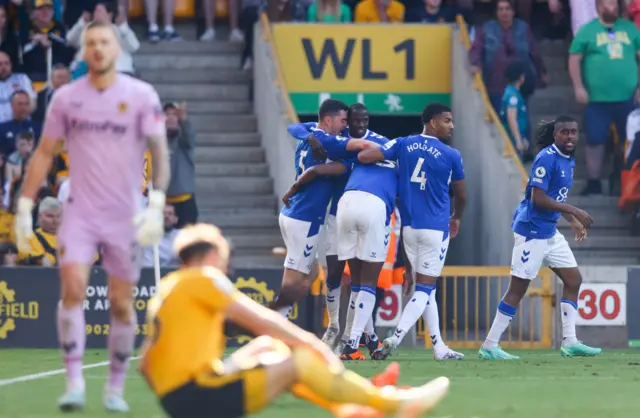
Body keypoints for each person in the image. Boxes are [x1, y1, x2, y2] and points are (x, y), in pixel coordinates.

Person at [13, 20, 171, 412]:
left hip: (125, 214)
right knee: (72, 289)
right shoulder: (67, 98)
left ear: (117, 48)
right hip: (80, 211)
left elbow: (160, 153)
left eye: (104, 42)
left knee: (121, 304)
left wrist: (156, 203)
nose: (98, 48)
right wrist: (25, 203)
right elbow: (46, 152)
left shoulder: (141, 95)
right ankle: (74, 382)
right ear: (84, 51)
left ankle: (114, 389)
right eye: (91, 43)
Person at [139, 223, 451, 418]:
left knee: (266, 349)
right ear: (211, 256)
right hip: (200, 395)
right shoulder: (205, 278)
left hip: (177, 398)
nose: (225, 267)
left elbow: (145, 363)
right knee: (297, 360)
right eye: (223, 259)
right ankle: (392, 405)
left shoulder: (168, 288)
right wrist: (312, 343)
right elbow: (263, 320)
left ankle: (349, 405)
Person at [478, 116, 602, 360]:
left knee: (574, 279)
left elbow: (556, 197)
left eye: (573, 132)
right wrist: (575, 211)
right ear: (555, 135)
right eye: (564, 132)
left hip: (549, 231)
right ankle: (490, 345)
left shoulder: (568, 159)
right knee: (518, 288)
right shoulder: (546, 158)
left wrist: (572, 221)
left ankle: (570, 342)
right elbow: (539, 199)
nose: (570, 137)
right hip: (531, 230)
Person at [357, 103, 466, 361]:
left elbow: (366, 157)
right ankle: (395, 338)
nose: (452, 125)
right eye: (447, 120)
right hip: (435, 228)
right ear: (430, 122)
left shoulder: (403, 144)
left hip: (409, 228)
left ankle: (439, 347)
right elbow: (462, 194)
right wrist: (457, 217)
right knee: (425, 289)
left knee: (427, 289)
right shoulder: (451, 154)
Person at [283, 104, 387, 358]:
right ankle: (335, 328)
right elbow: (296, 127)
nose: (355, 124)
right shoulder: (335, 141)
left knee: (354, 276)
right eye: (349, 120)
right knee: (332, 275)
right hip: (330, 217)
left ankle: (356, 335)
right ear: (343, 122)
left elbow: (300, 131)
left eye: (362, 120)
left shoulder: (358, 141)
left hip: (351, 214)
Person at [273, 100, 375, 319]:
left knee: (308, 276)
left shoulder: (311, 132)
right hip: (305, 218)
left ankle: (275, 319)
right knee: (294, 277)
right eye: (342, 120)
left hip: (293, 213)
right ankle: (272, 326)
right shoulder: (330, 141)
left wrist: (309, 136)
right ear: (328, 120)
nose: (345, 125)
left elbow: (294, 127)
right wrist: (387, 148)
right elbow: (360, 146)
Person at [568, 0, 640, 195]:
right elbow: (574, 59)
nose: (614, 7)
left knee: (630, 140)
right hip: (597, 99)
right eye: (608, 4)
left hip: (628, 98)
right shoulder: (587, 31)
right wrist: (578, 87)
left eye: (615, 3)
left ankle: (625, 179)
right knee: (595, 140)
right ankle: (594, 182)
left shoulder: (630, 30)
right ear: (599, 7)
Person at [499, 61, 530, 159]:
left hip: (516, 135)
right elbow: (511, 118)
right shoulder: (512, 95)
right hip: (511, 138)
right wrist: (518, 140)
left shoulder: (513, 93)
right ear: (520, 78)